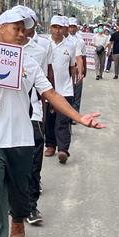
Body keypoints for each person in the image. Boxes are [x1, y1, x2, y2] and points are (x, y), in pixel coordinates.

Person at [0, 7, 104, 237]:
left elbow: (51, 94)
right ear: (0, 29)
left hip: (21, 137)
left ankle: (19, 217)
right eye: (16, 28)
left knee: (21, 191)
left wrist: (79, 118)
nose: (22, 34)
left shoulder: (29, 63)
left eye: (25, 29)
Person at [23, 7, 53, 226]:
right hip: (3, 119)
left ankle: (31, 206)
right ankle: (14, 205)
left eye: (24, 25)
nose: (20, 31)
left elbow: (45, 85)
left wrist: (45, 110)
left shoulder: (40, 50)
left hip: (33, 113)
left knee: (33, 163)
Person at [43, 15, 78, 164]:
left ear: (65, 29)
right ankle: (50, 145)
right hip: (48, 89)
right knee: (49, 120)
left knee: (63, 121)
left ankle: (63, 149)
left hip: (65, 90)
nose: (57, 30)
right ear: (50, 28)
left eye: (60, 27)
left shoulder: (70, 46)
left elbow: (72, 68)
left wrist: (70, 83)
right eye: (54, 27)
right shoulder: (45, 45)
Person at [67, 17, 86, 110]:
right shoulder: (65, 39)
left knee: (77, 91)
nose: (72, 28)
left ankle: (75, 110)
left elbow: (82, 57)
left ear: (77, 28)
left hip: (77, 67)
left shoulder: (80, 40)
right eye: (70, 26)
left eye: (74, 26)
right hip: (67, 68)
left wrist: (82, 70)